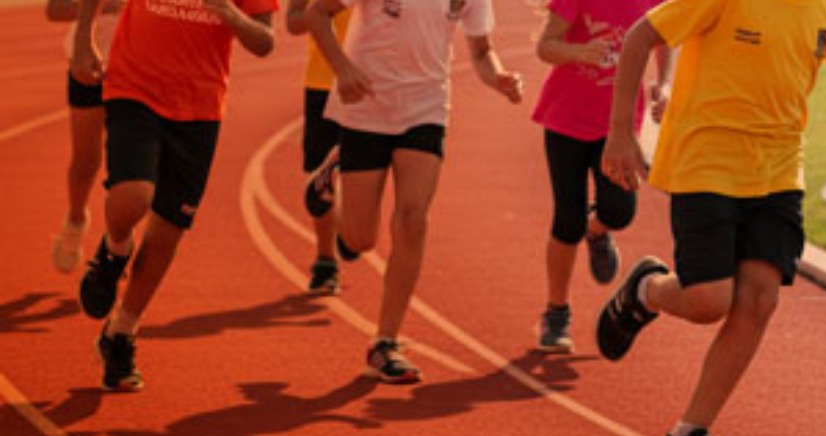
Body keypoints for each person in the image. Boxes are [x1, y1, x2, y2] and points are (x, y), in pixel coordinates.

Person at [598, 0, 826, 436]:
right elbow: (643, 35)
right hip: (706, 159)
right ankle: (647, 290)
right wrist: (620, 131)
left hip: (779, 169)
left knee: (759, 299)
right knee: (709, 302)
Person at [306, 0, 523, 384]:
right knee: (358, 239)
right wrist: (343, 68)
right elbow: (316, 13)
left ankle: (384, 342)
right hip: (366, 105)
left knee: (412, 220)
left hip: (426, 107)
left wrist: (499, 77)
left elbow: (482, 50)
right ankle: (333, 168)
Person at [73, 0, 278, 391]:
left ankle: (121, 333)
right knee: (133, 197)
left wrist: (229, 14)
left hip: (199, 107)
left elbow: (265, 41)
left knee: (168, 230)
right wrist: (84, 39)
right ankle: (114, 250)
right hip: (134, 87)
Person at [530, 0, 671, 353]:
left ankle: (596, 232)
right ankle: (557, 313)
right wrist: (579, 52)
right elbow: (545, 46)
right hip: (566, 120)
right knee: (567, 219)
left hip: (618, 129)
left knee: (620, 211)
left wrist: (664, 84)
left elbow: (666, 38)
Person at [45, 0, 124, 273]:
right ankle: (76, 220)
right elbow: (55, 10)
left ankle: (117, 245)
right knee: (86, 161)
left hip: (138, 70)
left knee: (128, 164)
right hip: (90, 64)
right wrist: (107, 6)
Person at [286, 0, 352, 294]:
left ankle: (355, 232)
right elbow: (293, 21)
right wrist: (326, 10)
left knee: (365, 169)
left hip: (375, 81)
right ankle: (326, 260)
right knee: (321, 177)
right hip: (323, 83)